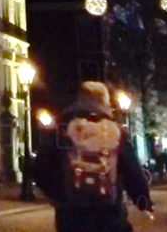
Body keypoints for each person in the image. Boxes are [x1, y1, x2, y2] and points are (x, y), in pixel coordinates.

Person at [32, 82, 153, 232]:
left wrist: (59, 196)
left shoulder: (62, 129)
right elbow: (132, 171)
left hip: (71, 217)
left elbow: (40, 169)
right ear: (105, 101)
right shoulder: (116, 131)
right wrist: (143, 201)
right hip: (109, 214)